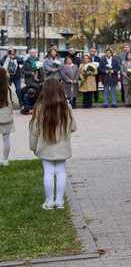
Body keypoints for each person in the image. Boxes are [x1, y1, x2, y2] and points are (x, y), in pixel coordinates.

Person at [29, 78, 77, 210]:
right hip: (62, 145)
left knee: (48, 173)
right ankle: (59, 201)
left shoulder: (39, 108)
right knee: (61, 172)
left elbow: (34, 130)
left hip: (45, 145)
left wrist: (33, 146)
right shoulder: (66, 106)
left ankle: (49, 201)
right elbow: (73, 127)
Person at [0, 67, 20, 166]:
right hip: (6, 118)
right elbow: (16, 103)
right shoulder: (9, 89)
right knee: (6, 139)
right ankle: (5, 159)